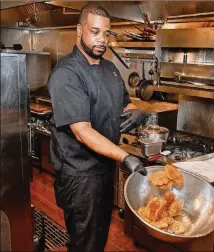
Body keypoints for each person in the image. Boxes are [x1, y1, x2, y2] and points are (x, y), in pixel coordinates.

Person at [47, 5, 147, 252]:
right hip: (79, 175)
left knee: (99, 234)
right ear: (79, 31)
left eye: (107, 33)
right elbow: (82, 131)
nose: (102, 40)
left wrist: (136, 111)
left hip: (104, 167)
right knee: (85, 242)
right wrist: (125, 157)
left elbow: (126, 103)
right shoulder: (67, 74)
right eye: (95, 32)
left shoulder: (110, 69)